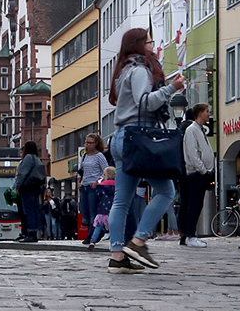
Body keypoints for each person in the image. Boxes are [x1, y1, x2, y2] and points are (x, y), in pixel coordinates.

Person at [106, 28, 186, 274]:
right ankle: (138, 241)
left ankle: (117, 257)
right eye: (150, 41)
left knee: (121, 200)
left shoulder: (123, 70)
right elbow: (145, 102)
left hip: (122, 136)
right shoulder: (140, 70)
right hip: (139, 137)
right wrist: (171, 88)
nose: (153, 45)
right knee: (166, 191)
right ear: (140, 44)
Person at [180, 103, 214, 248]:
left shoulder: (200, 130)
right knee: (194, 205)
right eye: (207, 111)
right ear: (200, 113)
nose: (208, 114)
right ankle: (190, 235)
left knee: (195, 204)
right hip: (196, 173)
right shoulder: (192, 130)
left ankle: (188, 235)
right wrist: (203, 170)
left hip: (200, 173)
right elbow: (192, 153)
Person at [77, 133, 108, 245]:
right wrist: (79, 181)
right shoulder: (85, 155)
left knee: (92, 212)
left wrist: (98, 182)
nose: (88, 145)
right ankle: (99, 231)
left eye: (90, 143)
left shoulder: (99, 156)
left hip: (93, 187)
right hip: (84, 186)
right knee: (84, 210)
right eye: (87, 142)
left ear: (96, 144)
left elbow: (106, 171)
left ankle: (91, 236)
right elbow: (80, 170)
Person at [15, 141, 46, 243]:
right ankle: (34, 233)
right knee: (34, 210)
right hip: (35, 188)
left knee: (28, 211)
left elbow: (23, 174)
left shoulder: (28, 158)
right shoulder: (37, 159)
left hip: (27, 187)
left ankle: (30, 233)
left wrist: (17, 186)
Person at [87, 167, 117, 248]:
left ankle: (92, 241)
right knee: (113, 228)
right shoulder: (117, 184)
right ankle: (115, 242)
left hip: (103, 209)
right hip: (114, 209)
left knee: (98, 226)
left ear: (107, 175)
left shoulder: (101, 185)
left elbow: (97, 195)